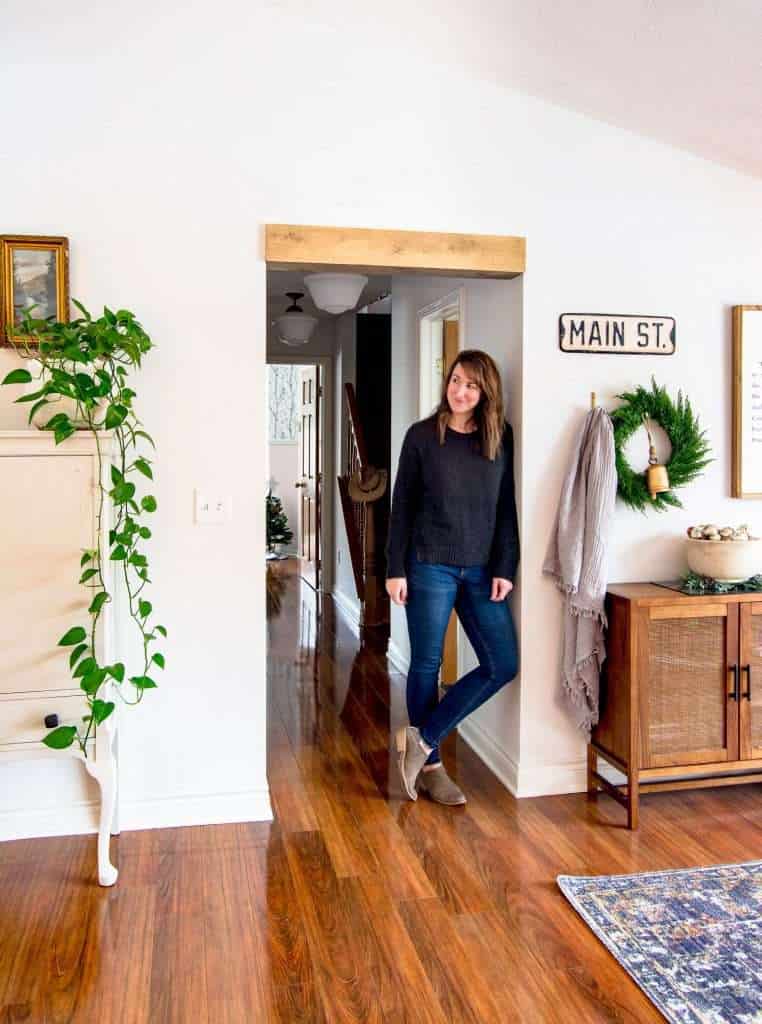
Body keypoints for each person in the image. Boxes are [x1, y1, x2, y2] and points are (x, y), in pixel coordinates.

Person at [385, 350, 519, 805]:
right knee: (427, 664)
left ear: (486, 393)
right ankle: (433, 769)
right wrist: (394, 568)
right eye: (455, 380)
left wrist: (506, 566)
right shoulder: (422, 437)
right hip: (429, 564)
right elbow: (401, 505)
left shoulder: (501, 438)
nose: (459, 391)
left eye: (471, 385)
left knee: (503, 663)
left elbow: (505, 508)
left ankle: (421, 742)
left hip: (482, 568)